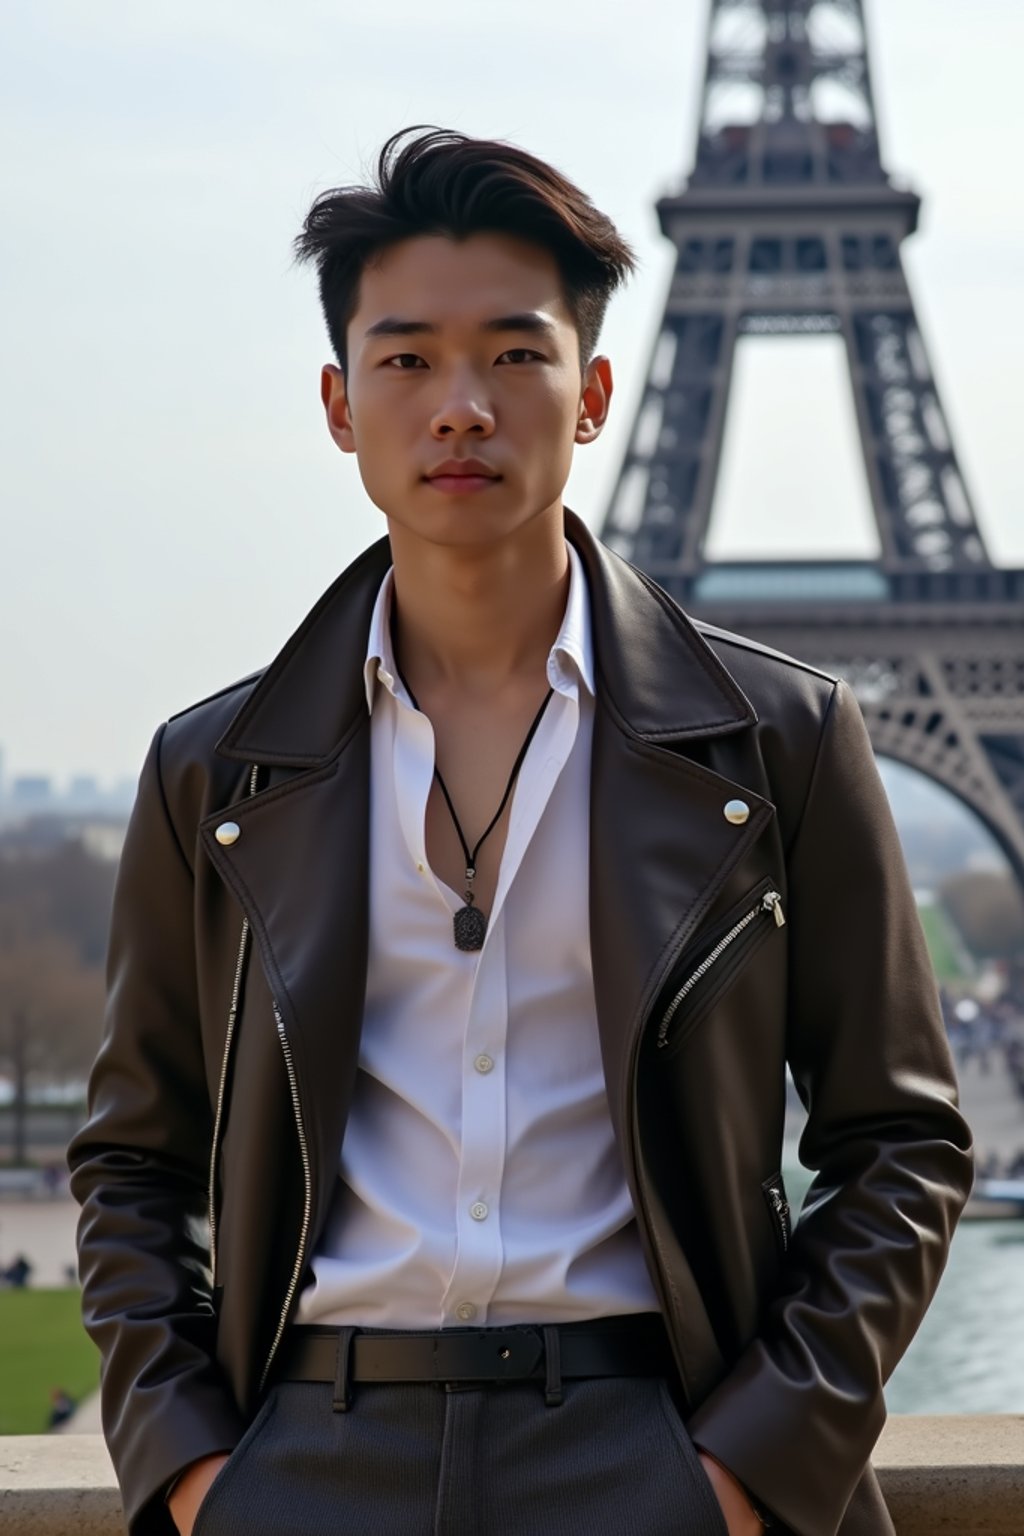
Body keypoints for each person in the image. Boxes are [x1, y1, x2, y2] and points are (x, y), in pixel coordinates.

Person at [68, 126, 973, 1536]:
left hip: (654, 1445)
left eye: (513, 353)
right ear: (336, 400)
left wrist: (743, 1475)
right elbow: (132, 1159)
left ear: (598, 390)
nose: (461, 406)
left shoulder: (786, 740)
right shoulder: (211, 772)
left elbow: (901, 1139)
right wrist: (195, 1477)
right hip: (309, 1454)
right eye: (409, 358)